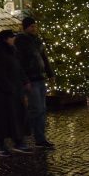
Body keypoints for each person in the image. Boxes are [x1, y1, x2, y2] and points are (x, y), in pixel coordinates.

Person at [0, 30, 33, 156]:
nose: (14, 39)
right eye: (11, 37)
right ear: (5, 39)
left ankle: (18, 141)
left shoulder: (12, 50)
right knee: (4, 118)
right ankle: (1, 145)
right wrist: (9, 88)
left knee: (18, 116)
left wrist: (25, 81)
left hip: (15, 89)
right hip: (4, 92)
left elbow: (18, 68)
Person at [16, 17, 55, 149]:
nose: (34, 28)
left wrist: (50, 74)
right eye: (31, 26)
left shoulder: (37, 40)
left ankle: (41, 138)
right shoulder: (21, 41)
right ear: (25, 27)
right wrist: (25, 80)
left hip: (40, 78)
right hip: (31, 80)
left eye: (35, 26)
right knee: (36, 109)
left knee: (42, 109)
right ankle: (34, 136)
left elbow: (44, 57)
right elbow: (20, 62)